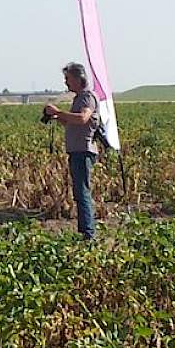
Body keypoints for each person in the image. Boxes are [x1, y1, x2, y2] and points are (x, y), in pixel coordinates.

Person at [44, 62, 100, 240]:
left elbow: (83, 118)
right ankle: (85, 231)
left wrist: (59, 111)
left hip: (83, 151)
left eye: (68, 79)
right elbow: (73, 123)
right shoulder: (79, 97)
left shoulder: (87, 97)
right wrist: (57, 117)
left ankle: (88, 234)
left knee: (82, 193)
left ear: (77, 78)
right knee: (79, 192)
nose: (66, 83)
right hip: (77, 151)